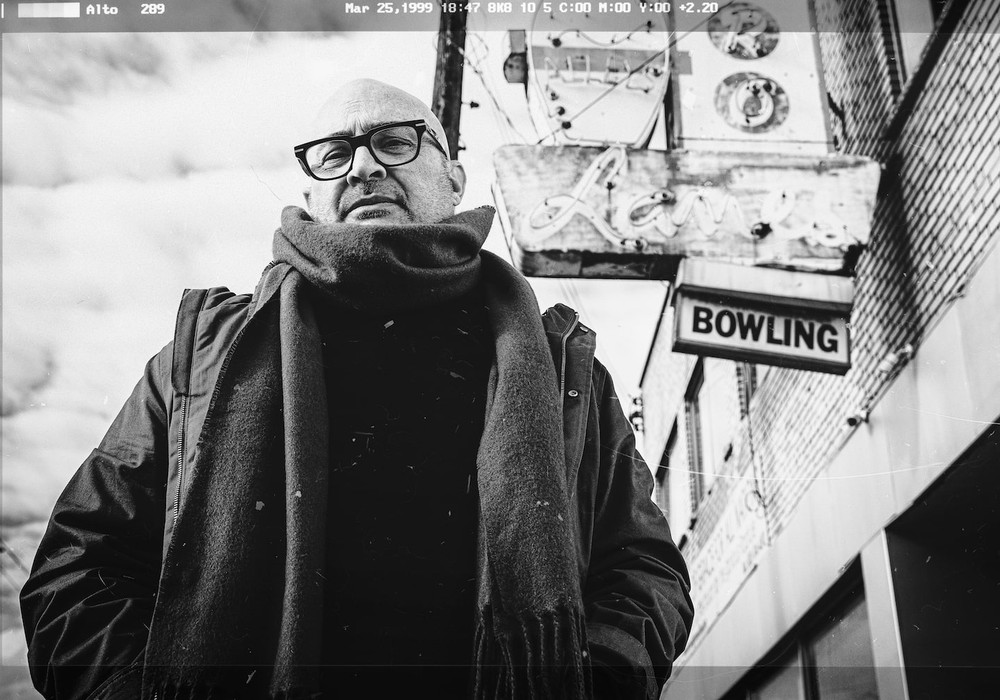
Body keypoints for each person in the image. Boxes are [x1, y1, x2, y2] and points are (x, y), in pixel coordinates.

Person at [20, 79, 693, 700]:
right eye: (334, 154)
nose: (364, 167)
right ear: (311, 192)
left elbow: (643, 569)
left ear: (453, 178)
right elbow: (78, 567)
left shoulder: (562, 370)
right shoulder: (202, 362)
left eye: (395, 143)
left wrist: (593, 682)